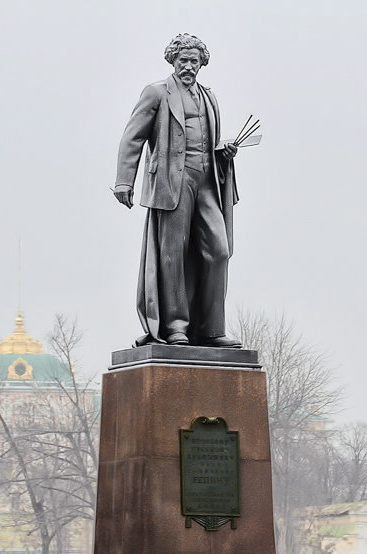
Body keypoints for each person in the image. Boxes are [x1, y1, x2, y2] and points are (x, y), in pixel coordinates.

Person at [114, 33, 241, 347]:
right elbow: (133, 137)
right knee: (173, 255)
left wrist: (223, 154)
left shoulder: (209, 97)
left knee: (219, 250)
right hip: (173, 182)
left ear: (201, 64)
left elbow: (210, 141)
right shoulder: (156, 93)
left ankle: (212, 329)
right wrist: (124, 180)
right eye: (183, 60)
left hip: (207, 180)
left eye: (194, 61)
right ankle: (176, 327)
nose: (189, 66)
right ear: (173, 61)